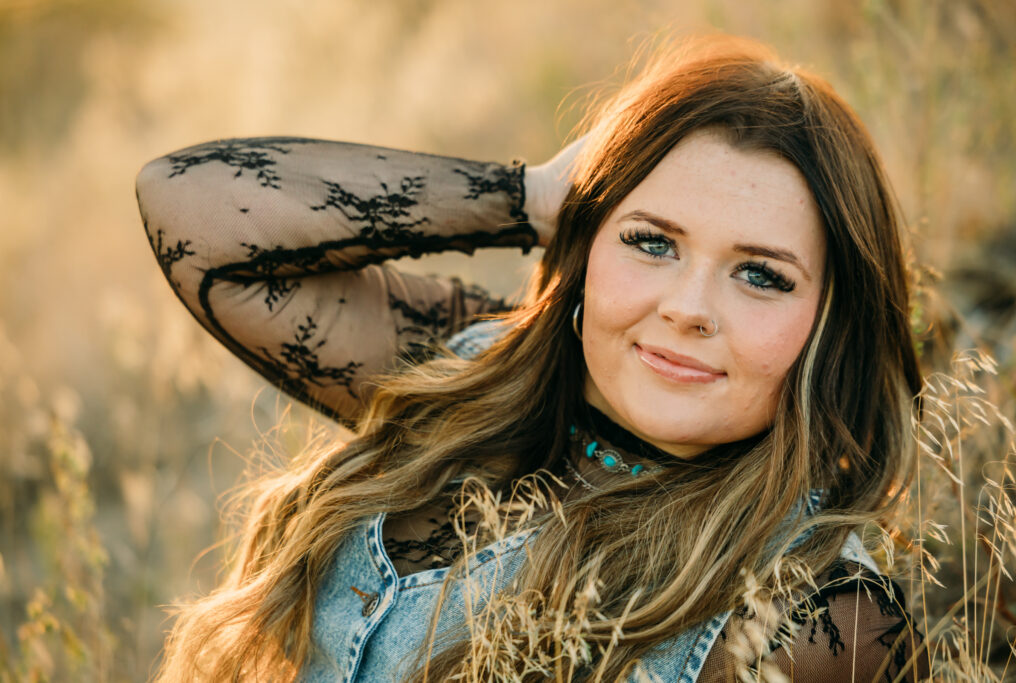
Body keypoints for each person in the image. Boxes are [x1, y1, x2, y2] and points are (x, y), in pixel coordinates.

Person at [135, 36, 928, 682]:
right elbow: (191, 208)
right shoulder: (470, 369)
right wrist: (528, 196)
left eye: (760, 275)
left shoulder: (827, 614)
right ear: (586, 249)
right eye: (651, 241)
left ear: (833, 321)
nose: (688, 307)